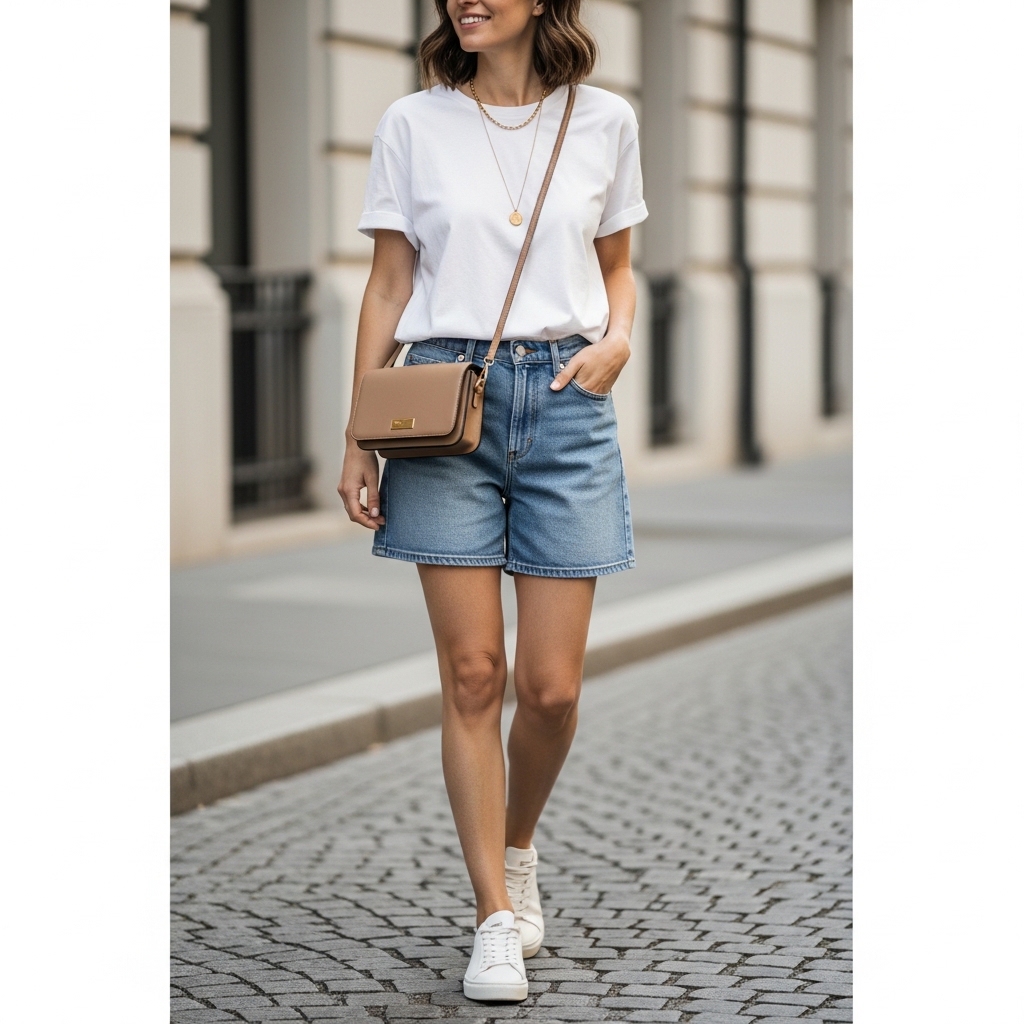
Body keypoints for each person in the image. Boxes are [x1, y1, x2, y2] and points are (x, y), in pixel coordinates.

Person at [338, 0, 647, 1003]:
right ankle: (493, 918)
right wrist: (358, 435)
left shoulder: (603, 120)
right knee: (474, 674)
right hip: (444, 406)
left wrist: (617, 340)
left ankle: (518, 847)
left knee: (550, 689)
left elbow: (617, 269)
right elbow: (390, 285)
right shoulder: (412, 123)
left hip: (565, 402)